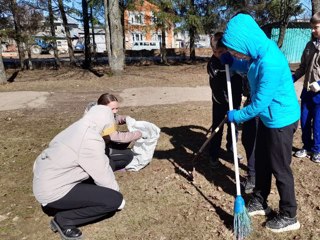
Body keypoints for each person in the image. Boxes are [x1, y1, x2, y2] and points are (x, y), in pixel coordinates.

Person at [221, 13, 300, 232]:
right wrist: (233, 62)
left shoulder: (271, 62)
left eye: (236, 50)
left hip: (281, 120)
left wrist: (236, 116)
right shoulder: (257, 54)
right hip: (268, 118)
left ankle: (289, 214)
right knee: (263, 161)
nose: (235, 53)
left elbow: (259, 104)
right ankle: (260, 200)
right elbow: (247, 67)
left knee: (280, 167)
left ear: (247, 41)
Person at [33, 105, 125, 240]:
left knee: (107, 169)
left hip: (48, 180)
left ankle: (62, 206)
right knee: (114, 200)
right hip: (54, 191)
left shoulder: (77, 127)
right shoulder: (90, 139)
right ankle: (64, 220)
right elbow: (102, 173)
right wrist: (115, 195)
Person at [207, 32, 243, 169]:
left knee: (233, 126)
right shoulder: (213, 64)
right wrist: (225, 100)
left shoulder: (234, 60)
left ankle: (231, 147)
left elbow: (242, 76)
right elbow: (215, 85)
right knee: (217, 128)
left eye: (221, 51)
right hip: (220, 102)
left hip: (235, 99)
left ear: (227, 49)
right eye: (215, 52)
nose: (218, 54)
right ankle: (213, 154)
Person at [85, 93, 142, 171]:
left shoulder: (103, 112)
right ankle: (106, 166)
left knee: (128, 150)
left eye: (116, 108)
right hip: (94, 152)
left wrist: (125, 119)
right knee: (129, 156)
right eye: (112, 109)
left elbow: (114, 118)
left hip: (105, 144)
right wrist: (138, 134)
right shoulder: (99, 119)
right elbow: (116, 137)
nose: (115, 111)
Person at [293, 11, 320, 163]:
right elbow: (303, 67)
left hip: (319, 94)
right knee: (304, 120)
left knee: (318, 123)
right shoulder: (310, 45)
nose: (313, 30)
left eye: (316, 27)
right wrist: (291, 79)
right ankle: (307, 146)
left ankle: (317, 150)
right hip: (307, 91)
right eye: (312, 27)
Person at [240, 77, 258, 194]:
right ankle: (252, 175)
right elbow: (246, 91)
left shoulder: (266, 64)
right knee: (247, 139)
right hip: (251, 105)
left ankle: (254, 179)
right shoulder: (250, 65)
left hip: (259, 109)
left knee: (253, 142)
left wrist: (239, 115)